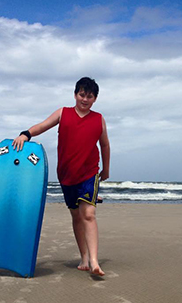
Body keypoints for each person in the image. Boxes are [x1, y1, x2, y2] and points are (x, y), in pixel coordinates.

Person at [12, 77, 110, 276]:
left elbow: (105, 145)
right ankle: (84, 257)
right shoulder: (63, 113)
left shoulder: (98, 119)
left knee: (88, 214)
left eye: (89, 96)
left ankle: (94, 261)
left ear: (95, 99)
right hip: (66, 175)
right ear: (75, 95)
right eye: (82, 95)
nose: (85, 99)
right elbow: (43, 125)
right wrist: (25, 134)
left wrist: (106, 169)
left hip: (89, 173)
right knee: (76, 216)